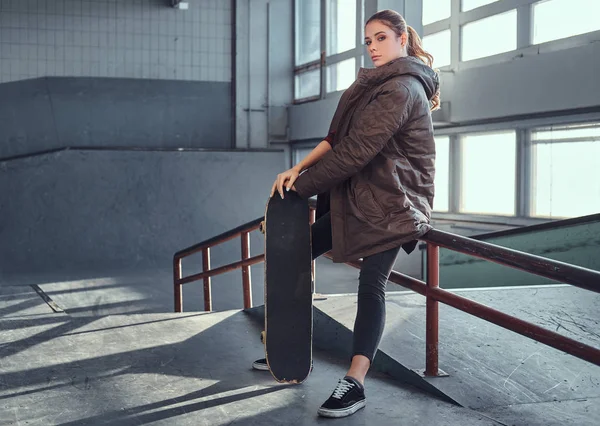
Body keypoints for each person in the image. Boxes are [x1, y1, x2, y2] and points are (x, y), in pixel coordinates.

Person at [254, 9, 440, 419]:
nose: (373, 47)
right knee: (294, 253)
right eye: (368, 41)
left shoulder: (402, 89)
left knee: (371, 284)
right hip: (361, 198)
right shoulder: (369, 85)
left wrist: (301, 189)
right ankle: (288, 342)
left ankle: (354, 383)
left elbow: (357, 153)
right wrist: (297, 169)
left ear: (402, 40)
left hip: (395, 204)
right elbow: (336, 139)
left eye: (380, 39)